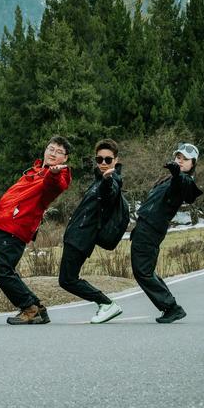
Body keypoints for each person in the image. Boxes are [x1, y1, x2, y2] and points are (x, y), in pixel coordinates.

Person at [0, 136, 72, 324]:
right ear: (45, 150)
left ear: (65, 158)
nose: (53, 153)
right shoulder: (35, 171)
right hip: (5, 223)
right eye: (51, 149)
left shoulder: (59, 175)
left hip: (16, 226)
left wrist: (54, 173)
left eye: (59, 152)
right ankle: (38, 309)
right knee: (3, 269)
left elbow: (55, 185)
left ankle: (29, 307)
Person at [130, 143, 202, 324]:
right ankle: (170, 306)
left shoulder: (185, 181)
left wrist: (178, 173)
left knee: (143, 272)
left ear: (193, 163)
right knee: (145, 271)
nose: (180, 161)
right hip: (145, 226)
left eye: (185, 159)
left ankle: (171, 307)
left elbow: (186, 188)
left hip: (151, 229)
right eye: (178, 158)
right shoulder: (167, 179)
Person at [59, 138, 125, 324]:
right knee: (68, 279)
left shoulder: (113, 181)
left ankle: (106, 303)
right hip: (76, 236)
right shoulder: (98, 180)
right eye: (99, 159)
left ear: (116, 160)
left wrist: (106, 180)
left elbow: (109, 193)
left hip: (81, 238)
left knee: (67, 280)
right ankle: (105, 304)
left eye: (108, 159)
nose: (103, 163)